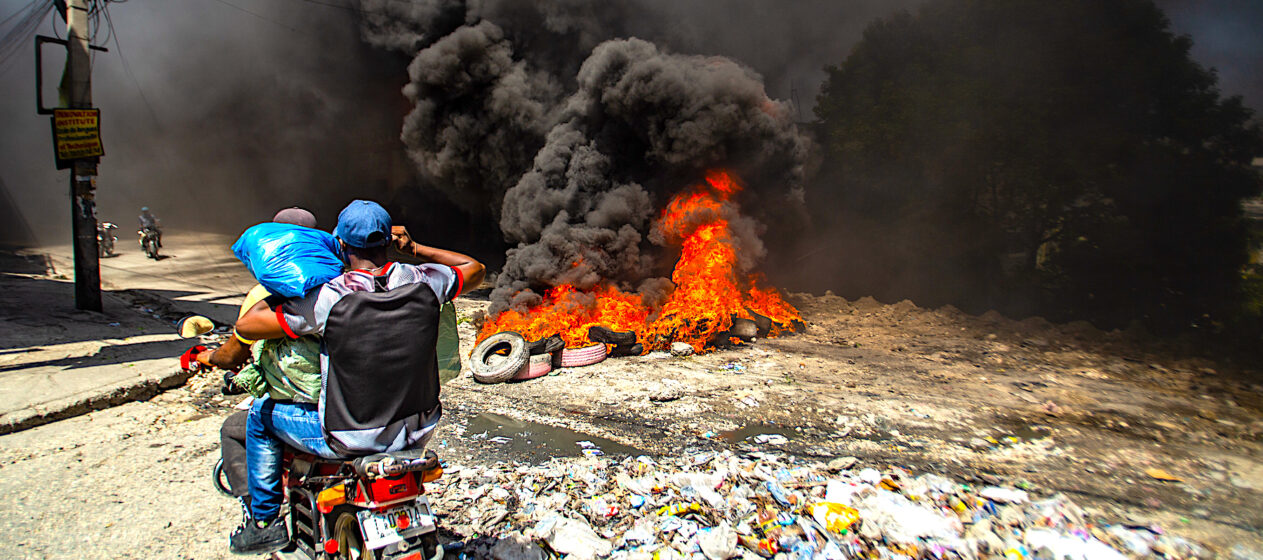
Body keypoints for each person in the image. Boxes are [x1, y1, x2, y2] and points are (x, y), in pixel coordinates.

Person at [228, 200, 485, 555]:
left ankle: (264, 524)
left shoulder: (327, 298)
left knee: (257, 416)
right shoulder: (423, 282)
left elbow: (248, 325)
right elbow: (475, 268)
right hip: (417, 428)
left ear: (342, 246)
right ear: (389, 242)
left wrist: (279, 284)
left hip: (349, 436)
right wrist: (415, 248)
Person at [194, 208, 325, 526]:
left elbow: (237, 355)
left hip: (315, 412)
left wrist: (204, 358)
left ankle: (261, 517)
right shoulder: (346, 284)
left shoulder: (265, 298)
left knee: (242, 426)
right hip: (362, 405)